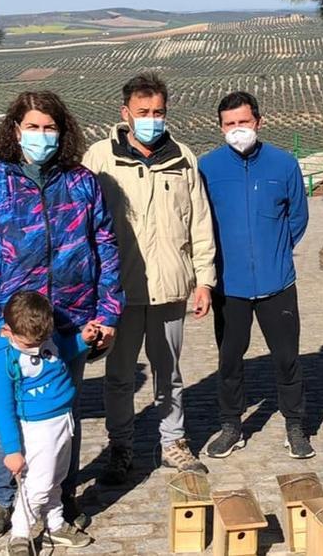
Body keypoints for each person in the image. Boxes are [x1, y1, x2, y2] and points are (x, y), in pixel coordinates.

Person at [0, 91, 122, 538]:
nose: (41, 135)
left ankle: (62, 495)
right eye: (32, 126)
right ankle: (2, 497)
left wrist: (107, 314)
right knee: (5, 415)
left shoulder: (84, 183)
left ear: (62, 131)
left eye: (50, 127)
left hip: (70, 321)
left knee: (64, 411)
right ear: (15, 130)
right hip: (9, 327)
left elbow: (105, 248)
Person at [84, 72, 216, 482]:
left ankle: (173, 441)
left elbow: (200, 222)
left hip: (171, 287)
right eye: (143, 112)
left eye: (158, 112)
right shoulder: (100, 158)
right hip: (118, 291)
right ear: (125, 113)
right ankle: (121, 446)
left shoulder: (183, 157)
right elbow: (83, 223)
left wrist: (204, 280)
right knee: (120, 376)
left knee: (170, 373)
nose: (151, 119)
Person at [198, 91, 312, 459]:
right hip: (229, 286)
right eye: (230, 124)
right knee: (230, 359)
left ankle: (295, 425)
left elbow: (298, 217)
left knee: (287, 358)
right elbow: (200, 222)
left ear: (258, 122)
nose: (237, 129)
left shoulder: (283, 164)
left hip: (277, 282)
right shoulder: (207, 168)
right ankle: (232, 425)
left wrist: (273, 249)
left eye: (243, 122)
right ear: (220, 127)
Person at [0, 291, 97, 555]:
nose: (36, 348)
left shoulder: (43, 335)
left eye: (41, 341)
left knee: (57, 478)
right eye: (29, 344)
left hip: (62, 420)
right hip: (37, 428)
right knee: (39, 484)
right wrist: (12, 450)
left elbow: (61, 352)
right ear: (10, 331)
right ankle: (20, 533)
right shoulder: (2, 360)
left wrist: (82, 339)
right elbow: (3, 409)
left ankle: (55, 523)